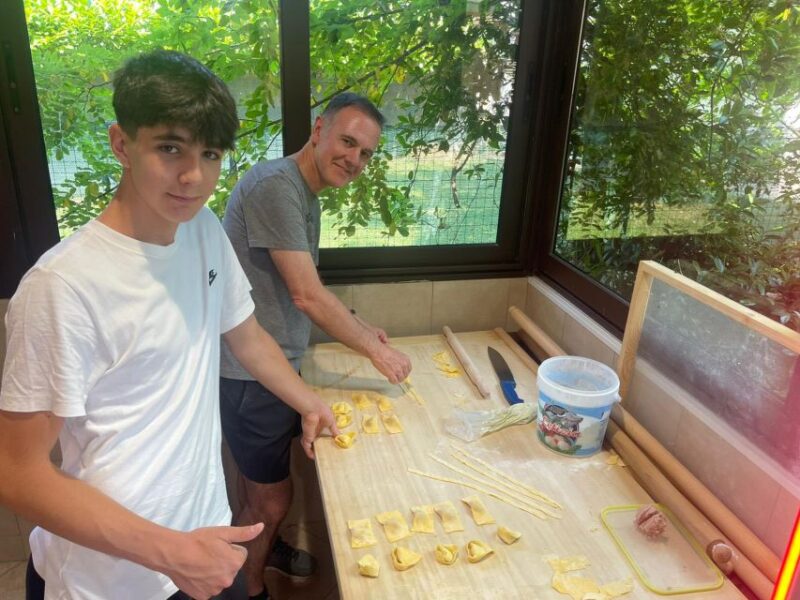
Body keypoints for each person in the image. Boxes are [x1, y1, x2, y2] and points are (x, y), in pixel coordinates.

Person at [0, 49, 336, 600]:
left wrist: (309, 402)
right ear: (121, 143)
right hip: (110, 579)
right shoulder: (62, 286)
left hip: (203, 537)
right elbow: (16, 472)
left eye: (210, 153)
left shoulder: (202, 229)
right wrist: (168, 551)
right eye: (169, 148)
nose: (193, 176)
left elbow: (247, 336)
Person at [220, 92, 412, 598]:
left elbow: (305, 285)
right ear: (319, 129)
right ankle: (250, 588)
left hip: (272, 370)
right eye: (348, 142)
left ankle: (260, 549)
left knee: (260, 489)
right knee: (271, 498)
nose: (354, 159)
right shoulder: (275, 187)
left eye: (366, 152)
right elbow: (307, 296)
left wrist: (366, 330)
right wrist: (377, 352)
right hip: (251, 375)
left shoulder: (303, 193)